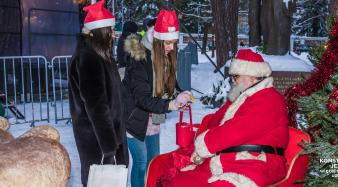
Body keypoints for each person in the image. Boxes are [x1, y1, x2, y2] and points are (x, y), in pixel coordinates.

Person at [169, 49, 289, 187]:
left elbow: (238, 130)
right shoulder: (242, 97)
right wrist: (231, 101)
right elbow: (214, 123)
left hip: (256, 162)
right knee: (182, 182)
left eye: (236, 76)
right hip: (228, 160)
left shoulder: (269, 98)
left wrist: (204, 145)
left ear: (251, 76)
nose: (233, 81)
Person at [122, 10, 192, 187]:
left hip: (154, 117)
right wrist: (172, 104)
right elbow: (142, 99)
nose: (171, 47)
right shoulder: (140, 58)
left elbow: (171, 87)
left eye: (173, 43)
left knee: (154, 161)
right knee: (141, 162)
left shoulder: (165, 58)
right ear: (159, 40)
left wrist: (180, 96)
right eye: (168, 43)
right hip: (133, 118)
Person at [68, 1, 129, 186]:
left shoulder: (99, 54)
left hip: (110, 137)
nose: (114, 34)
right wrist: (109, 147)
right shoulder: (88, 58)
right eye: (110, 30)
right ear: (99, 32)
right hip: (99, 142)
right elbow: (96, 107)